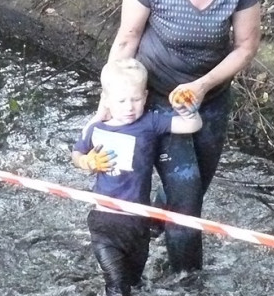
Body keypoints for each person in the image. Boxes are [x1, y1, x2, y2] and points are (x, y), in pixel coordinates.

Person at [106, 0, 263, 273]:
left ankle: (153, 223)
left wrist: (205, 85)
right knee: (189, 205)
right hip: (155, 94)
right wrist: (107, 104)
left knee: (195, 188)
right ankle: (186, 279)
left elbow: (246, 46)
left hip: (209, 97)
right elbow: (127, 40)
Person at [72, 58, 203, 296]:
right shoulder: (96, 128)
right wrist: (86, 161)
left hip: (138, 223)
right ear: (108, 101)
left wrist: (189, 110)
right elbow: (76, 153)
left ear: (145, 96)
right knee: (117, 286)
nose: (129, 107)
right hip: (104, 223)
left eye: (135, 99)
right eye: (122, 101)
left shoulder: (150, 122)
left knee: (133, 281)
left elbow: (191, 126)